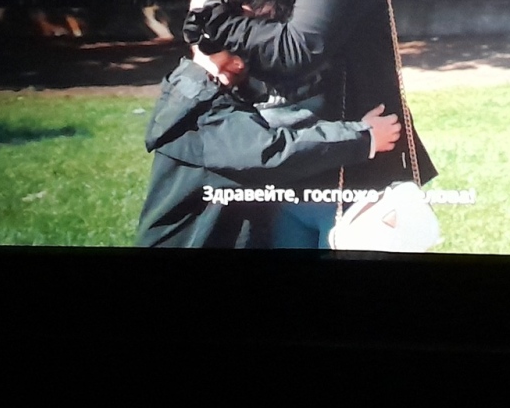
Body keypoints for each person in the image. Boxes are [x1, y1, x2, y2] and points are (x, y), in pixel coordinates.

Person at [182, 0, 436, 248]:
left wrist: (216, 19)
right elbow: (218, 60)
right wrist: (208, 23)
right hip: (281, 173)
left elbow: (299, 49)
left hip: (357, 175)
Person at [135, 34, 402, 248]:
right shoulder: (206, 117)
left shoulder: (189, 91)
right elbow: (275, 150)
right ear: (236, 63)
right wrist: (364, 137)